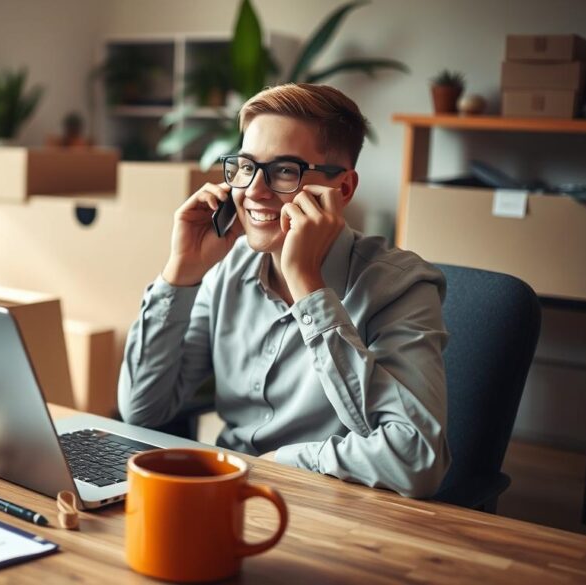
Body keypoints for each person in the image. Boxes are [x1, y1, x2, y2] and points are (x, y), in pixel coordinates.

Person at [117, 83, 450, 498]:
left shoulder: (402, 287)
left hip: (331, 508)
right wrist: (180, 273)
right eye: (245, 166)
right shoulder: (226, 268)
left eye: (285, 171)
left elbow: (415, 459)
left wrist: (307, 284)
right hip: (227, 495)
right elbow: (143, 409)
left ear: (342, 189)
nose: (254, 190)